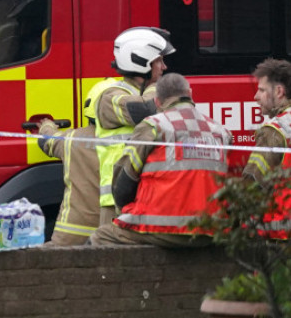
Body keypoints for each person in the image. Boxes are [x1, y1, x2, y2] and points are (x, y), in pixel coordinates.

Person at [89, 73, 231, 248]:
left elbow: (123, 182)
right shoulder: (220, 131)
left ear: (157, 102)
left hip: (164, 228)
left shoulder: (153, 126)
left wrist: (125, 211)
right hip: (213, 230)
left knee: (101, 236)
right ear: (191, 94)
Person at [90, 27, 173, 226]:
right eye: (158, 61)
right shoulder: (110, 97)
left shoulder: (147, 93)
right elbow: (145, 111)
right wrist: (158, 87)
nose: (164, 67)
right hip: (117, 201)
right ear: (139, 61)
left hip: (148, 196)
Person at [36, 86, 101, 246]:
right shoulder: (131, 139)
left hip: (72, 230)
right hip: (112, 229)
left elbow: (47, 140)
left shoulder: (72, 139)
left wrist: (46, 125)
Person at [241, 58, 291, 238]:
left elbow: (253, 183)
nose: (256, 96)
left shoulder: (275, 130)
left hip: (284, 233)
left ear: (279, 91)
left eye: (262, 90)